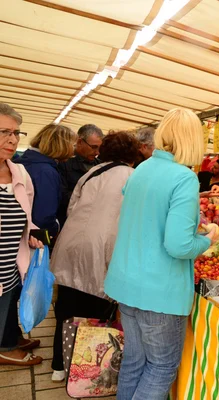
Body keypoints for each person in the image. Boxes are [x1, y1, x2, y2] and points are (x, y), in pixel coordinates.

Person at [104, 108, 219, 400]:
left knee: (134, 361)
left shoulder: (142, 168)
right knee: (161, 367)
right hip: (159, 291)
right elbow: (178, 246)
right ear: (193, 139)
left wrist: (194, 229)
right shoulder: (184, 178)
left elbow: (146, 219)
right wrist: (209, 241)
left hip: (127, 284)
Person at [49, 132, 140, 382]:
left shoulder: (91, 172)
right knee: (96, 309)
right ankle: (87, 370)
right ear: (133, 155)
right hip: (103, 247)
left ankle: (59, 364)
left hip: (71, 242)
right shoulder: (134, 177)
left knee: (67, 307)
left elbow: (72, 206)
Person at [0, 103, 44, 366]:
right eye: (5, 132)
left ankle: (7, 342)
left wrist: (32, 232)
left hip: (12, 263)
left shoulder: (20, 172)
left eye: (17, 133)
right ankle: (5, 348)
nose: (13, 139)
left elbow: (27, 215)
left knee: (8, 303)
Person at [15, 124, 77, 239]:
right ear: (61, 145)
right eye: (73, 145)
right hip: (33, 240)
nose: (74, 150)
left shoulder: (21, 163)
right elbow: (44, 216)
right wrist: (55, 228)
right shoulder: (46, 172)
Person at [57, 124, 104, 226]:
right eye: (93, 147)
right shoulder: (64, 163)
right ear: (79, 142)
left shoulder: (100, 165)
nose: (97, 152)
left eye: (99, 148)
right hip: (67, 222)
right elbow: (62, 196)